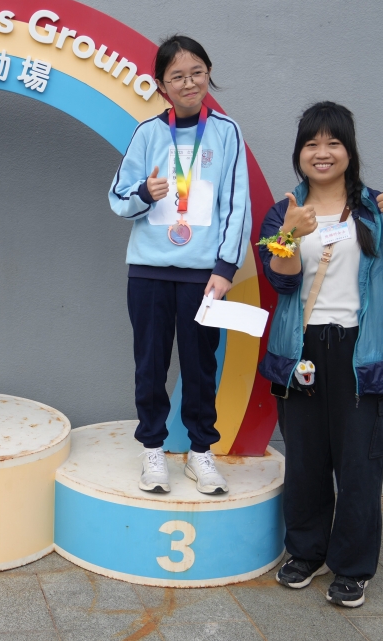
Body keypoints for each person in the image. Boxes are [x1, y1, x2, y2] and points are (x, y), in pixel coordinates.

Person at [258, 101, 383, 607]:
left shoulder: (378, 209)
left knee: (359, 465)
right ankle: (306, 552)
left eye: (333, 142)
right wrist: (289, 236)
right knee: (305, 460)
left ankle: (352, 566)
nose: (322, 152)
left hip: (362, 352)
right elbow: (282, 284)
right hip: (301, 349)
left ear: (349, 150)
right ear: (299, 153)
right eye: (311, 143)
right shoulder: (285, 211)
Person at [108, 35, 251, 494]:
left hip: (203, 276)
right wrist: (144, 194)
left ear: (208, 74)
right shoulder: (149, 133)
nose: (189, 83)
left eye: (197, 73)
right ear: (161, 85)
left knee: (200, 365)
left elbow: (237, 203)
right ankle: (152, 448)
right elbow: (118, 197)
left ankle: (200, 451)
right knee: (149, 364)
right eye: (177, 77)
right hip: (148, 271)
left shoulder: (226, 132)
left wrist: (225, 268)